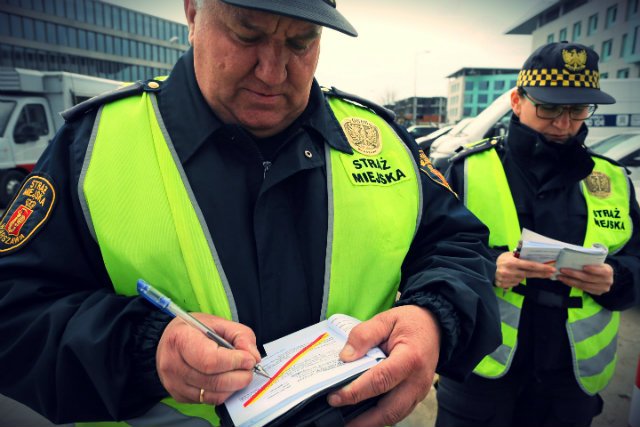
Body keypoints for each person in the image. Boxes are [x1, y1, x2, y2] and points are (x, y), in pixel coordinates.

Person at [0, 1, 502, 426]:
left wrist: (435, 319)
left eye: (301, 42)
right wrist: (142, 349)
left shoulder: (381, 142)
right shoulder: (92, 146)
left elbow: (458, 245)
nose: (273, 70)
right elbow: (14, 309)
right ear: (193, 12)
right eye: (247, 34)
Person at [437, 41, 640, 427]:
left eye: (578, 110)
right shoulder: (466, 169)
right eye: (548, 108)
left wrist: (618, 277)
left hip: (569, 379)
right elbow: (429, 253)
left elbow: (637, 256)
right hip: (480, 369)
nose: (563, 124)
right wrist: (488, 266)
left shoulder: (613, 178)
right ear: (517, 101)